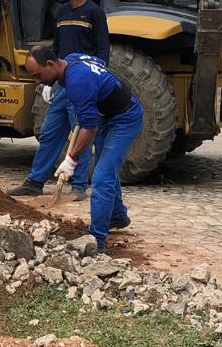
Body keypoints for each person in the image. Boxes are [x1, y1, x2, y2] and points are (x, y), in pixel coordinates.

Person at [23, 44, 142, 254]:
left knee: (101, 177)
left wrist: (71, 160)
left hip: (125, 119)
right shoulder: (72, 57)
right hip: (107, 116)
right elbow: (100, 63)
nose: (37, 82)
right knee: (106, 170)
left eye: (39, 76)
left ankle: (96, 241)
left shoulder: (77, 81)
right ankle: (117, 216)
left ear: (51, 64)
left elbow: (89, 127)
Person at [7, 0, 110, 199]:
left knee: (81, 132)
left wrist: (94, 84)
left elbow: (103, 51)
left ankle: (79, 186)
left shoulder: (94, 13)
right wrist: (47, 83)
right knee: (50, 131)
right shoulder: (62, 14)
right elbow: (55, 50)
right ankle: (35, 181)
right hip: (62, 84)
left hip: (82, 85)